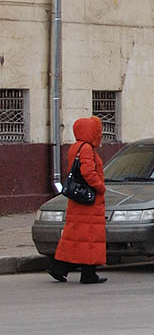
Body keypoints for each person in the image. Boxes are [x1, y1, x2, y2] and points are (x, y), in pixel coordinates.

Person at [49, 116, 108, 284]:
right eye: (97, 131)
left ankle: (60, 268)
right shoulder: (87, 148)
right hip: (89, 201)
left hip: (78, 200)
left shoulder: (76, 147)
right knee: (89, 237)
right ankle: (88, 274)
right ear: (91, 132)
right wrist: (100, 187)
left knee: (75, 236)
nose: (99, 134)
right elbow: (88, 172)